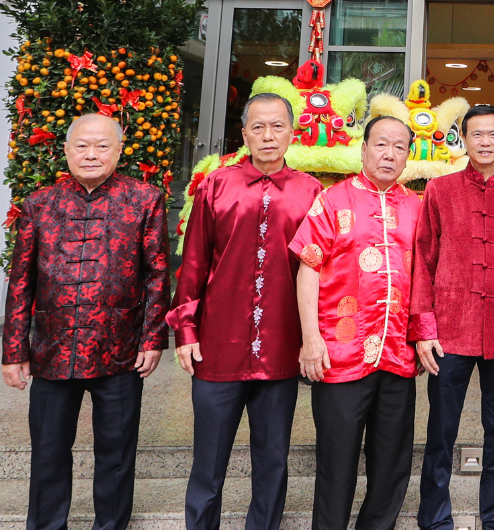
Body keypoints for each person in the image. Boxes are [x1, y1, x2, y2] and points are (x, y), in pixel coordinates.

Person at [2, 113, 170, 530]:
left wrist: (152, 339)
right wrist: (14, 351)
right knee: (48, 451)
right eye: (82, 145)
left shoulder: (144, 199)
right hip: (53, 350)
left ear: (119, 151)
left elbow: (157, 274)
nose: (91, 154)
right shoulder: (40, 203)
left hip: (120, 348)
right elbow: (21, 281)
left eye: (102, 146)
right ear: (66, 150)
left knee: (116, 455)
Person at [168, 94, 323, 530]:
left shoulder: (311, 192)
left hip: (281, 347)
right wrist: (186, 331)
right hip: (218, 348)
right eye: (258, 127)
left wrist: (312, 339)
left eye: (277, 126)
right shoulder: (216, 186)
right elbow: (193, 263)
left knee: (273, 461)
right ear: (244, 134)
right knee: (208, 463)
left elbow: (319, 272)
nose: (268, 136)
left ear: (292, 133)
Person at [410, 105, 494, 530]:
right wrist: (424, 327)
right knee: (440, 430)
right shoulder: (440, 190)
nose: (485, 142)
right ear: (464, 140)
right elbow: (423, 259)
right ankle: (434, 516)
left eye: (493, 135)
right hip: (451, 329)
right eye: (476, 134)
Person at [289, 116, 423, 530]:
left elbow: (428, 276)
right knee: (336, 464)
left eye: (399, 147)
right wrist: (310, 338)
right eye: (381, 144)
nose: (389, 154)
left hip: (398, 354)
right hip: (340, 355)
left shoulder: (417, 207)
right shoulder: (332, 200)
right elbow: (308, 267)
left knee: (392, 466)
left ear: (408, 156)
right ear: (363, 149)